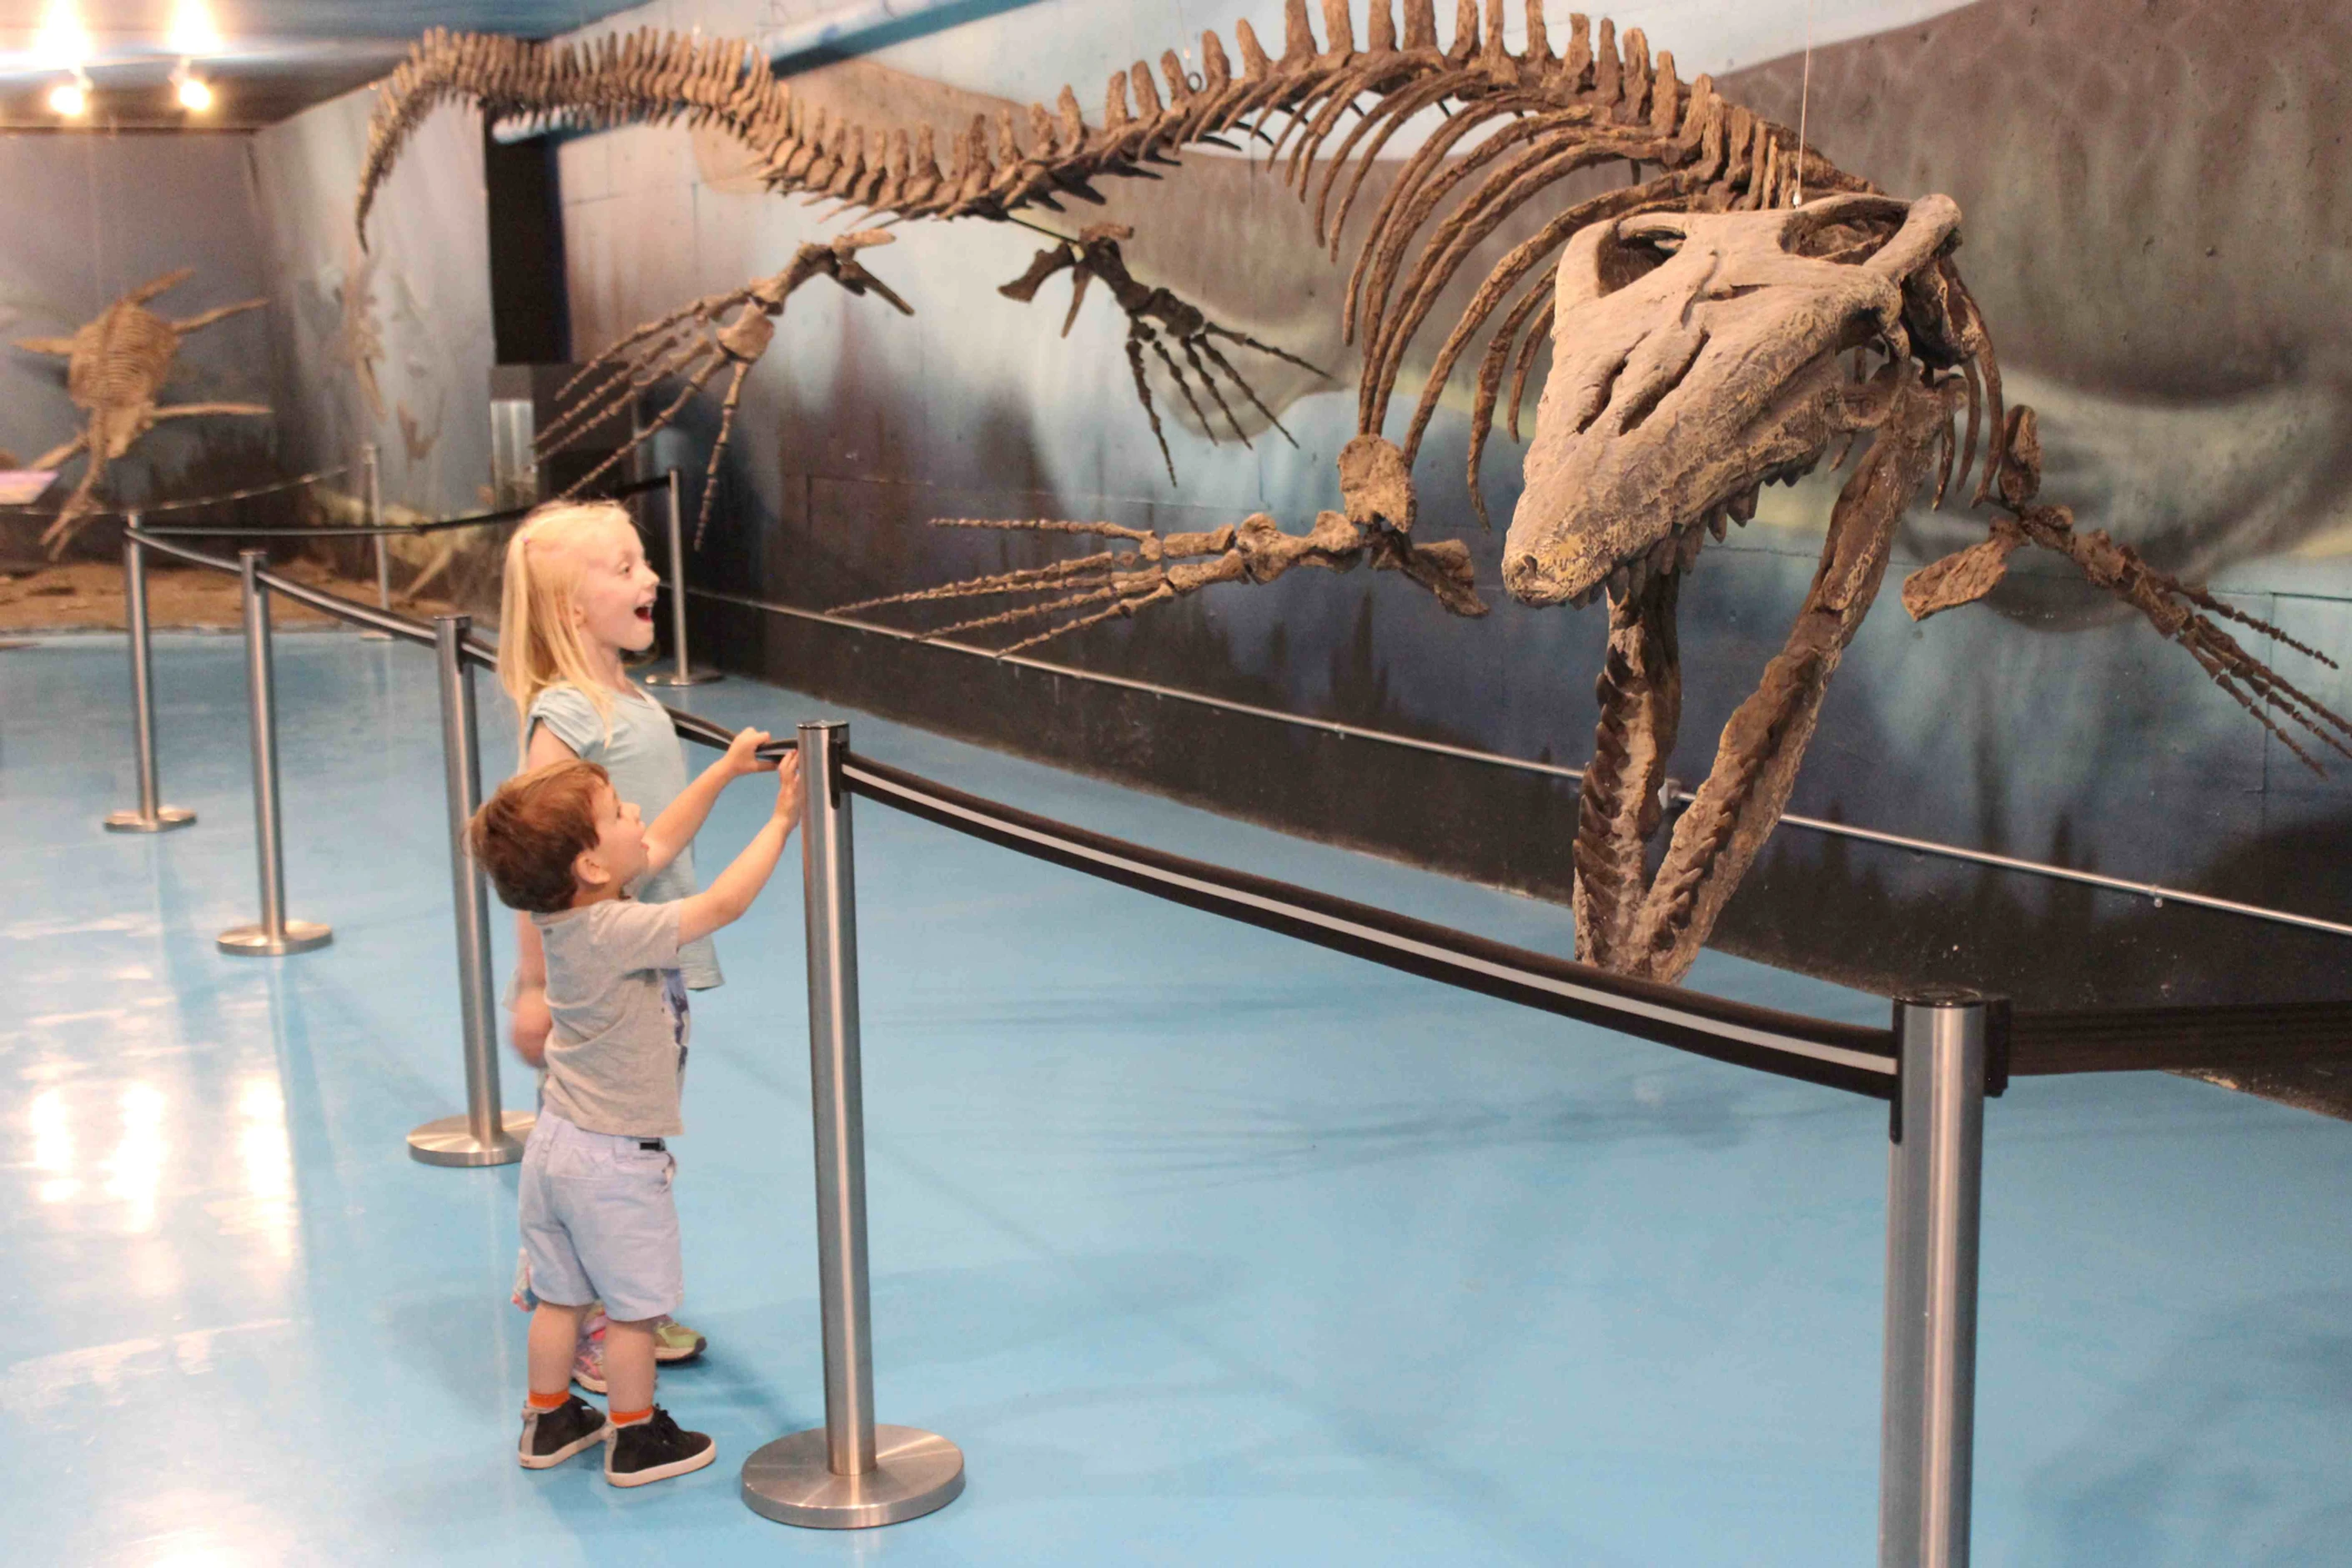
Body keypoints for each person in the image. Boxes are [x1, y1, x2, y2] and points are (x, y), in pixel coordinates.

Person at [470, 749, 803, 1484]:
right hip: (614, 1163)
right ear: (591, 865)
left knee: (560, 1298)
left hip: (555, 1146)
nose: (637, 816)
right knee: (632, 1313)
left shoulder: (565, 915)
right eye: (619, 812)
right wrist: (781, 821)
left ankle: (549, 1419)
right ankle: (635, 1435)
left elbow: (658, 844)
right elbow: (723, 905)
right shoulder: (617, 929)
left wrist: (722, 772)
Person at [495, 497, 746, 1389]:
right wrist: (534, 984)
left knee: (631, 1145)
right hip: (602, 979)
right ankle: (590, 1313)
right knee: (604, 1153)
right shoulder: (570, 713)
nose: (651, 578)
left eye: (645, 561)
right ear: (572, 609)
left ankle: (615, 1296)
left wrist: (726, 773)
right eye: (625, 567)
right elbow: (538, 857)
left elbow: (659, 837)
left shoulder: (629, 698)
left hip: (647, 967)